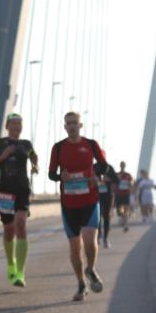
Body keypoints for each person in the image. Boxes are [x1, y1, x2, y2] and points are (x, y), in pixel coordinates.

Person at [48, 111, 107, 302]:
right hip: (69, 204)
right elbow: (51, 174)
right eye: (68, 123)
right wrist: (60, 177)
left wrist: (95, 174)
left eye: (75, 123)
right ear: (64, 127)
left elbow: (104, 166)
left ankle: (90, 268)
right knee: (75, 248)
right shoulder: (58, 148)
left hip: (89, 201)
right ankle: (81, 284)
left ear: (80, 126)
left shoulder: (90, 145)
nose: (72, 126)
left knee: (90, 241)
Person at [0, 113, 38, 287]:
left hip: (22, 189)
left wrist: (35, 165)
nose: (16, 127)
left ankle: (20, 273)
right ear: (7, 126)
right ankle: (11, 264)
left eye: (19, 124)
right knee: (8, 229)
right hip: (5, 191)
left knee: (21, 223)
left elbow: (33, 156)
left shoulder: (26, 144)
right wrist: (3, 155)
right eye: (13, 124)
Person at [97, 162, 115, 248]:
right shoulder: (94, 169)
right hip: (97, 197)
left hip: (108, 197)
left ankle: (106, 238)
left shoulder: (109, 169)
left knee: (106, 217)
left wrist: (109, 179)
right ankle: (99, 235)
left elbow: (117, 180)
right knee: (98, 216)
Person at [115, 161, 133, 232]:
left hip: (126, 193)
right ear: (120, 166)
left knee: (126, 208)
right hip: (118, 193)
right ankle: (123, 217)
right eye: (121, 165)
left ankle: (125, 224)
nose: (122, 166)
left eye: (123, 165)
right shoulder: (117, 174)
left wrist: (129, 183)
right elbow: (113, 182)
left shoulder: (128, 175)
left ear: (125, 166)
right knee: (119, 210)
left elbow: (131, 182)